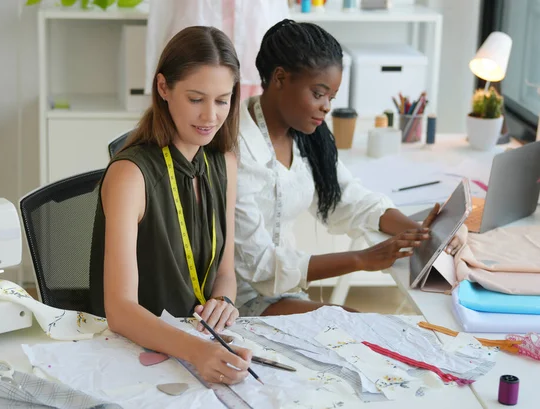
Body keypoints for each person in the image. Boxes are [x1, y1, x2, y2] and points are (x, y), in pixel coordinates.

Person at [234, 19, 464, 317]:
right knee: (359, 327)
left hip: (281, 290)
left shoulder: (306, 136)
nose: (326, 107)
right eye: (318, 94)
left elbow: (347, 198)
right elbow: (260, 268)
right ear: (279, 78)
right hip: (235, 301)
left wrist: (420, 233)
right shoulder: (237, 149)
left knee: (367, 327)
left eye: (331, 97)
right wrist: (361, 259)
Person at [89, 26, 251, 385]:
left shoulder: (223, 161)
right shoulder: (130, 175)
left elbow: (224, 272)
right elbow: (120, 311)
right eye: (196, 99)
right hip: (132, 351)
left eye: (222, 100)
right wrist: (196, 351)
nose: (210, 116)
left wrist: (222, 301)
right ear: (164, 88)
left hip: (198, 339)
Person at [144, 0, 289, 100]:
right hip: (194, 51)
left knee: (248, 131)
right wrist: (154, 72)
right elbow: (161, 13)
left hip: (253, 51)